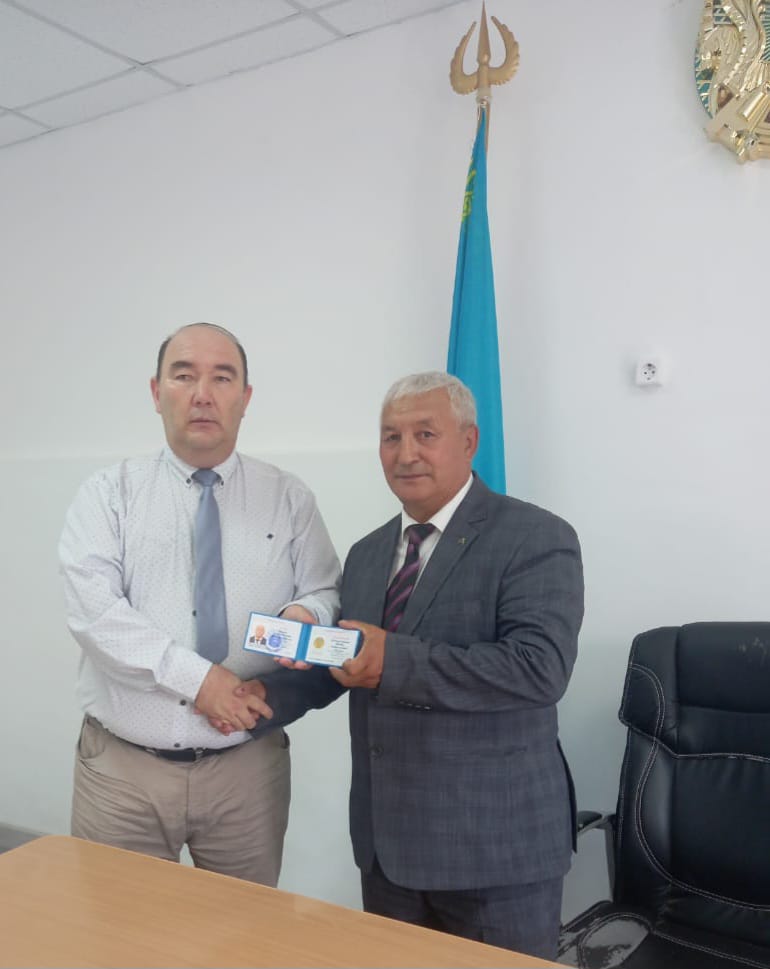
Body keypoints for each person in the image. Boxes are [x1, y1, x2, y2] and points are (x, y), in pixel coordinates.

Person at [232, 370, 583, 959]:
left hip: (493, 853)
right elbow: (346, 660)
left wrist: (391, 660)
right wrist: (261, 698)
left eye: (425, 434)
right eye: (391, 437)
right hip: (388, 849)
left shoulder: (535, 536)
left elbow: (538, 668)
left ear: (469, 442)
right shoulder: (369, 553)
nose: (406, 453)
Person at [59, 322, 341, 885]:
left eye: (222, 378)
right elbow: (96, 615)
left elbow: (325, 589)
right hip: (124, 773)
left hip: (246, 772)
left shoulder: (288, 496)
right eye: (184, 376)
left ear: (246, 397)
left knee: (244, 929)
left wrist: (306, 614)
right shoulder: (108, 493)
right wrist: (201, 681)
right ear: (156, 391)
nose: (203, 394)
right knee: (117, 928)